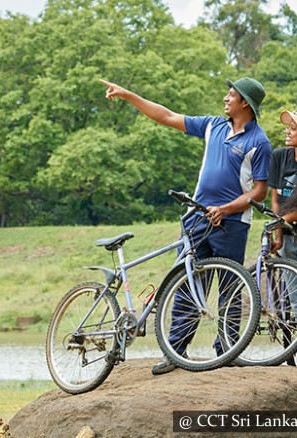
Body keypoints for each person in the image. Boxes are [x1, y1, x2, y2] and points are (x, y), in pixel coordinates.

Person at [101, 77, 272, 374]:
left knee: (230, 288)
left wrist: (227, 208)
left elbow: (259, 192)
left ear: (245, 102)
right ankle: (175, 351)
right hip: (197, 218)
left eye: (231, 95)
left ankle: (227, 350)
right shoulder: (213, 126)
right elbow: (166, 115)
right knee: (186, 283)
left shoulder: (259, 142)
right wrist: (130, 96)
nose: (225, 99)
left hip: (232, 223)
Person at [268, 105, 297, 369]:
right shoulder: (279, 157)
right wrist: (277, 230)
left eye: (293, 128)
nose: (288, 131)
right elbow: (275, 199)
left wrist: (286, 220)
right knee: (296, 301)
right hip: (287, 237)